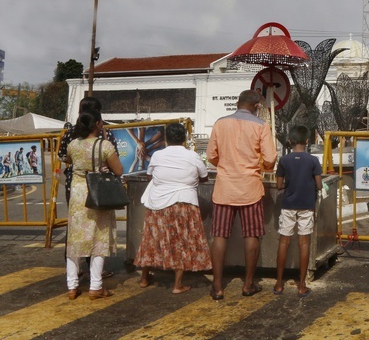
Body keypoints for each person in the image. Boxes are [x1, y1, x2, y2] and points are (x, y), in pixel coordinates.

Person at [206, 89, 277, 300]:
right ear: (256, 107)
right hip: (250, 190)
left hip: (224, 189)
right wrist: (258, 166)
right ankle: (248, 285)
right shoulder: (261, 126)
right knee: (251, 235)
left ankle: (217, 287)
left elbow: (211, 156)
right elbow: (271, 160)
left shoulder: (220, 123)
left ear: (237, 103)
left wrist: (227, 166)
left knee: (219, 235)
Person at [134, 122, 212, 294]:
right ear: (184, 139)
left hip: (158, 204)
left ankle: (144, 278)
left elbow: (150, 176)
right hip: (184, 203)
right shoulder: (192, 156)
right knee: (181, 243)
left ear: (166, 139)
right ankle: (178, 285)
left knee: (151, 239)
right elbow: (204, 177)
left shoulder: (157, 156)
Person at [62, 111, 123, 300]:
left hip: (78, 194)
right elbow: (119, 170)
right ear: (97, 124)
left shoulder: (73, 144)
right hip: (97, 195)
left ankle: (72, 286)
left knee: (75, 239)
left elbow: (69, 160)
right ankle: (96, 286)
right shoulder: (104, 145)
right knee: (99, 239)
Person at [273, 125, 323, 297]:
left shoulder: (284, 160)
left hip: (288, 205)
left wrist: (287, 185)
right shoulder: (313, 161)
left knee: (284, 242)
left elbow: (279, 185)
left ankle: (279, 284)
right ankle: (302, 285)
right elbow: (319, 184)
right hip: (307, 206)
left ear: (289, 141)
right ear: (307, 141)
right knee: (304, 243)